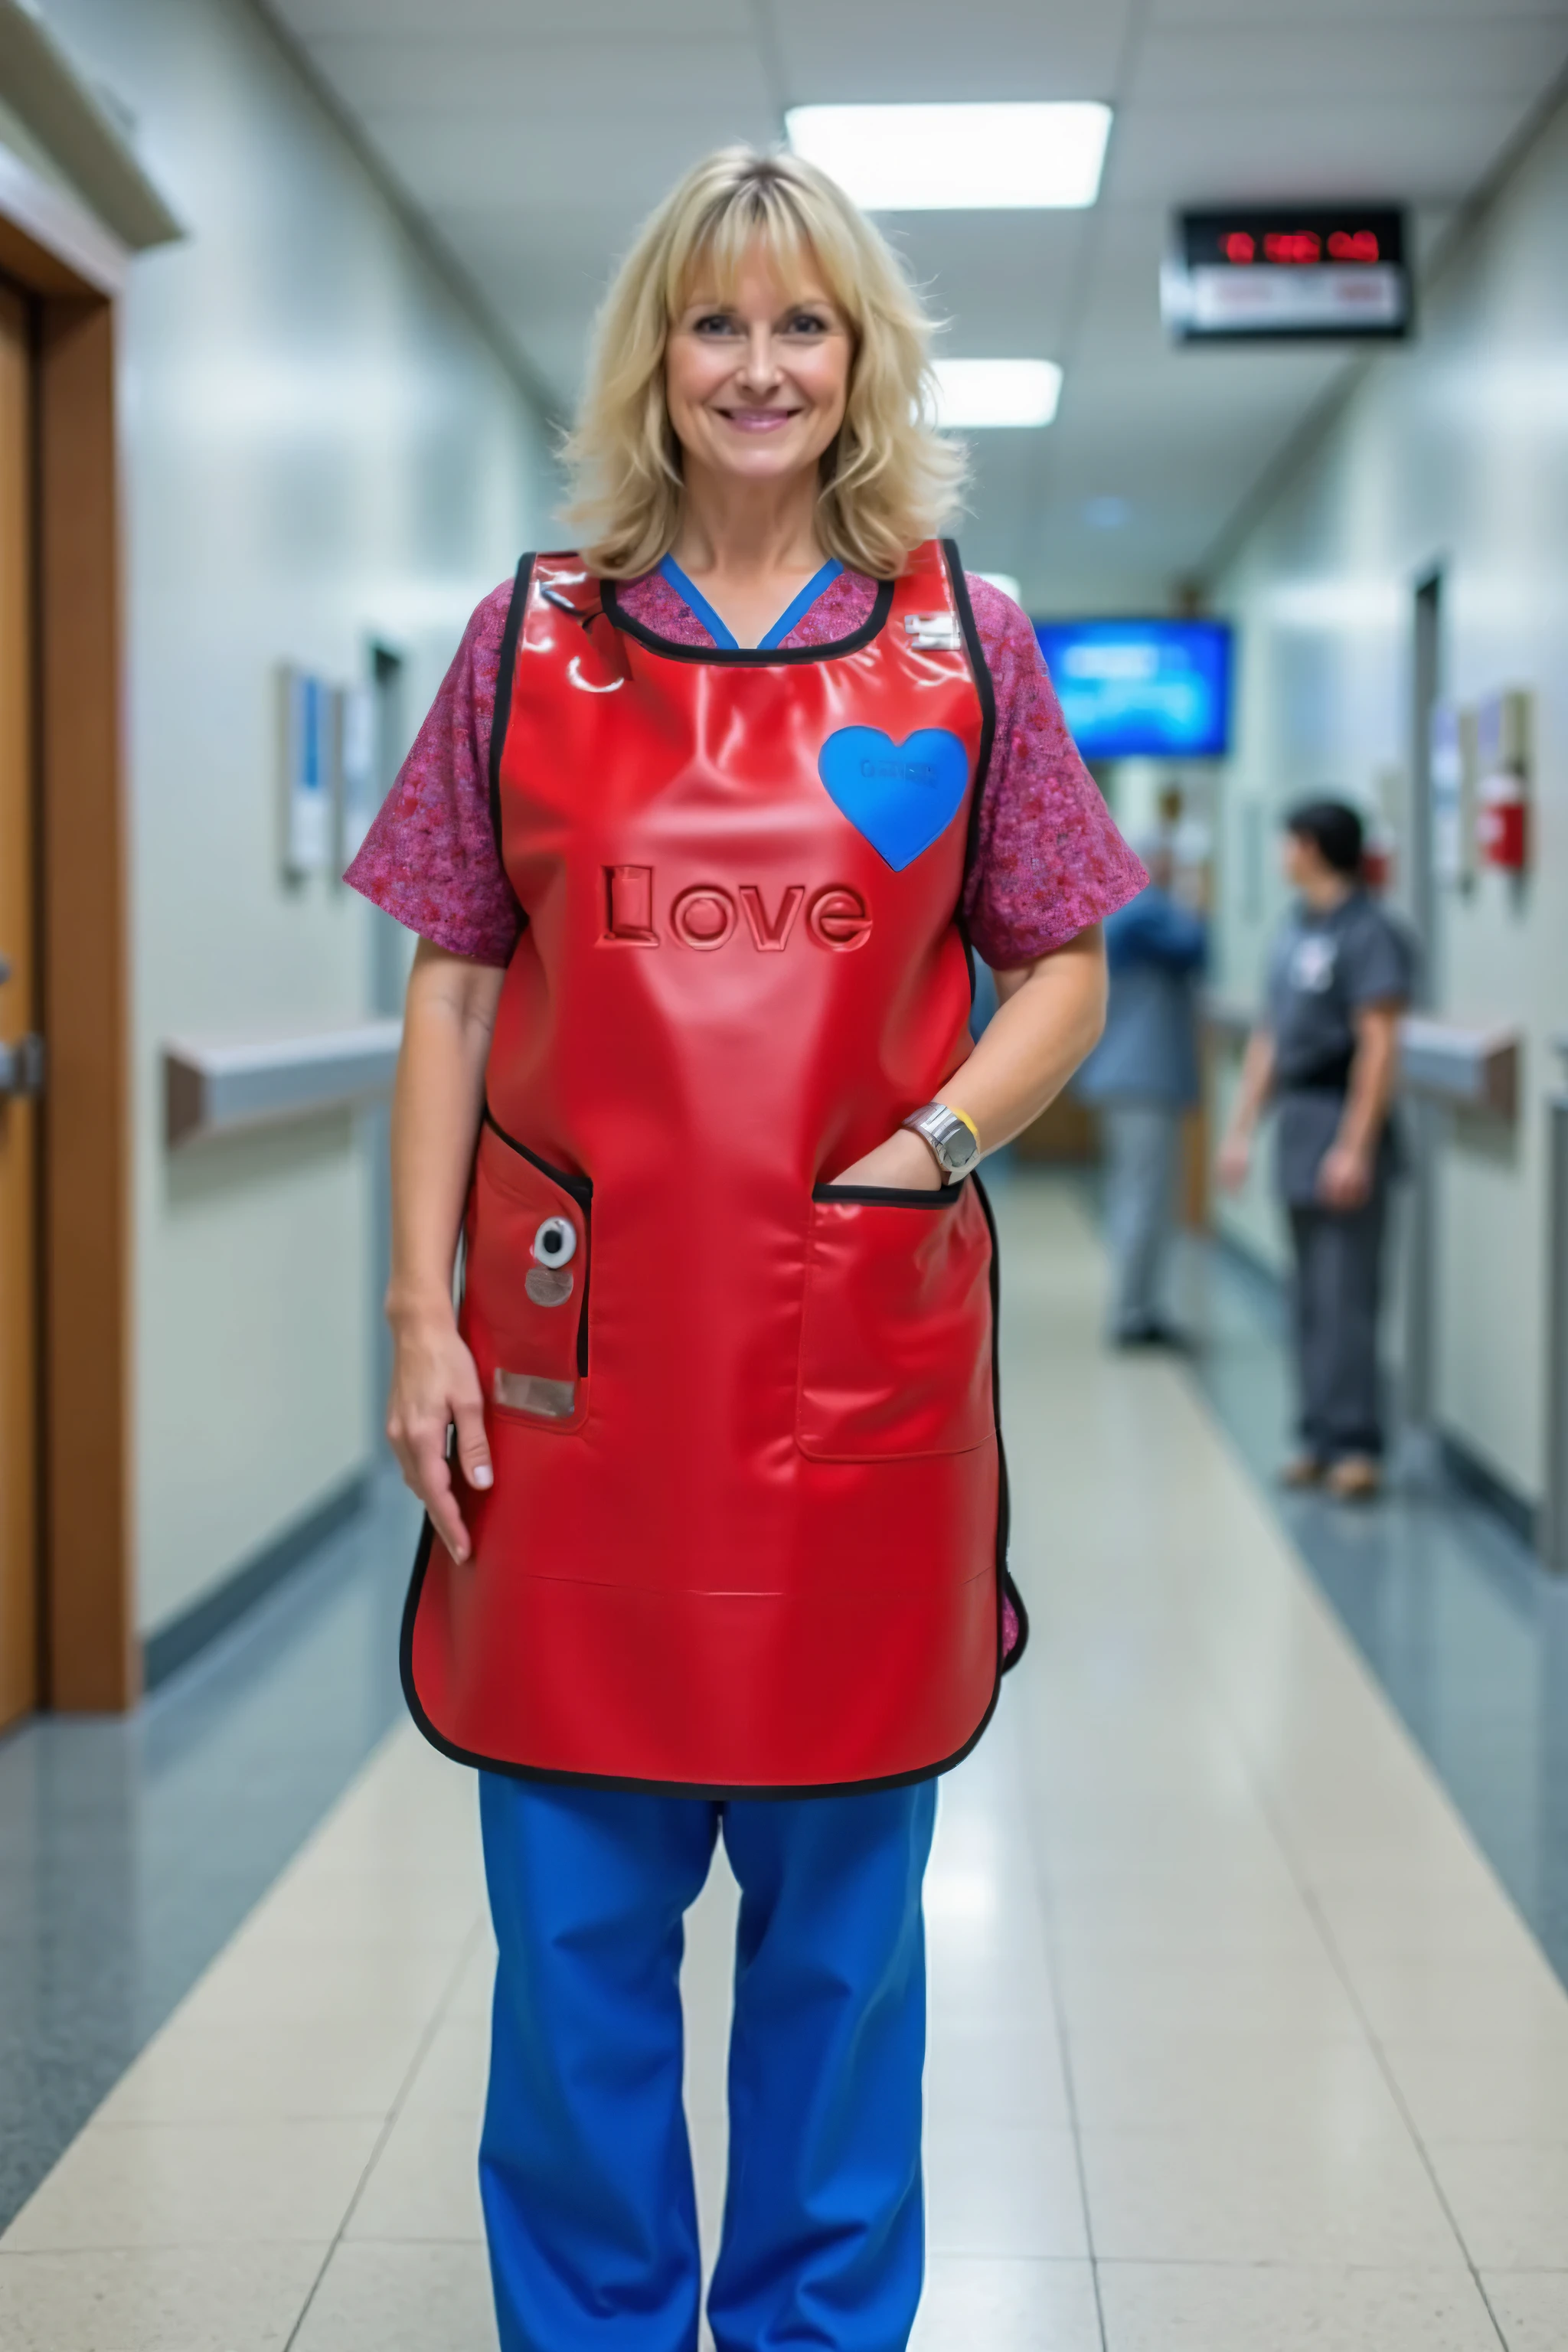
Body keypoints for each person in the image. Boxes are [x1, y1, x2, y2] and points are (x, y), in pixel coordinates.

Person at [347, 146, 1144, 2352]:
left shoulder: (966, 642)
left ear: (864, 359)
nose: (760, 365)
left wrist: (928, 1150)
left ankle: (814, 2327)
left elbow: (1063, 964)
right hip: (571, 1389)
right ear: (656, 357)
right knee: (575, 1952)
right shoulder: (529, 639)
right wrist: (415, 1308)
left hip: (852, 1379)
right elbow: (452, 985)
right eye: (717, 322)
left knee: (839, 1959)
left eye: (806, 324)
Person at [1217, 798, 1414, 1501]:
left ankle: (1357, 1443)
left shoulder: (1370, 932)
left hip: (1342, 1118)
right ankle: (1317, 1435)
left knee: (1347, 1295)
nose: (1282, 855)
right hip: (1298, 1123)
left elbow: (1379, 1044)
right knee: (1307, 1295)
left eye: (1289, 842)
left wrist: (1355, 1147)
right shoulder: (1296, 928)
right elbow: (1271, 1036)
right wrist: (1241, 1131)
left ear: (1311, 847)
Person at [1075, 833, 1207, 1346]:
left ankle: (1139, 1305)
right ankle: (1133, 1314)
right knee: (1143, 1197)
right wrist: (1193, 899)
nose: (1172, 868)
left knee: (1139, 1194)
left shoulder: (1124, 911)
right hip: (1139, 1079)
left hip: (1133, 1078)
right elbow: (1197, 947)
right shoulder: (1144, 912)